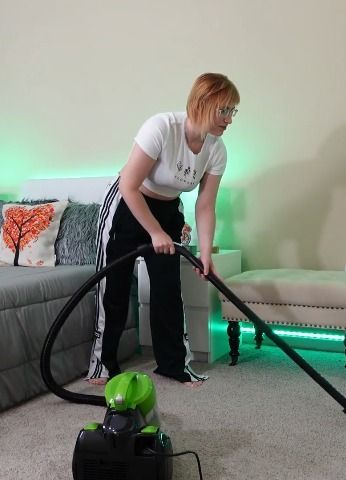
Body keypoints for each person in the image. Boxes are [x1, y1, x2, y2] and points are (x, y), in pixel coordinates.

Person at [86, 73, 240, 387]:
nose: (229, 119)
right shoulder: (161, 127)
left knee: (168, 290)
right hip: (127, 206)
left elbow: (205, 205)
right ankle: (102, 364)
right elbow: (129, 186)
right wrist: (155, 232)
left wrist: (206, 253)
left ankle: (173, 365)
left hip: (168, 209)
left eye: (232, 111)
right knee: (113, 288)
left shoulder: (217, 149)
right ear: (203, 103)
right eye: (224, 110)